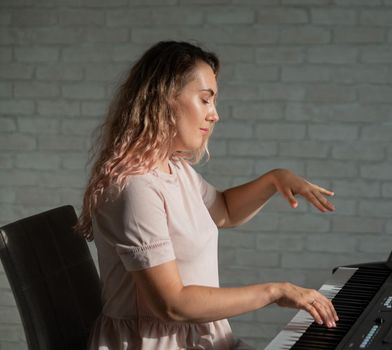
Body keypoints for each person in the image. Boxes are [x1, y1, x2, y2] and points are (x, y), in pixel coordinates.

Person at [77, 41, 338, 350]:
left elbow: (224, 210)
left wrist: (274, 179)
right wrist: (275, 292)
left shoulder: (175, 169)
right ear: (163, 100)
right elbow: (172, 304)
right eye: (205, 100)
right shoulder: (134, 188)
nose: (214, 115)